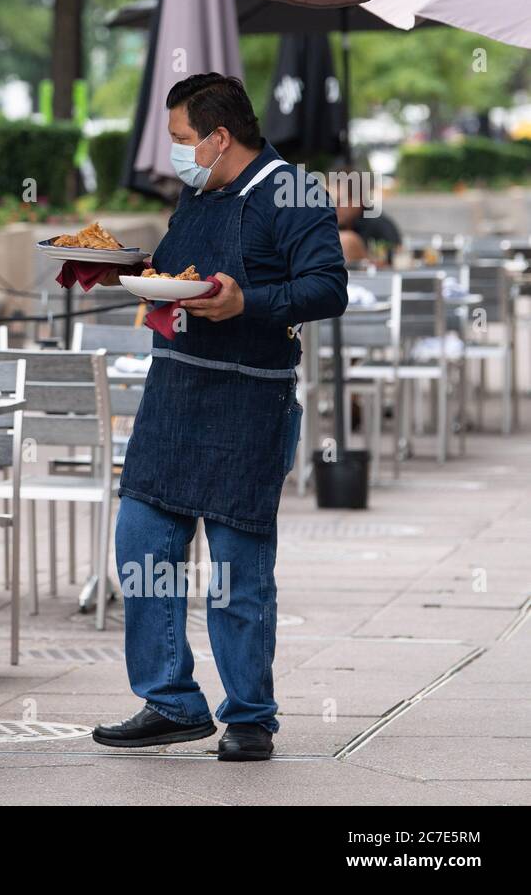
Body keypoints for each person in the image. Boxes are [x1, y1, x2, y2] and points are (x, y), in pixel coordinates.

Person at [92, 73, 347, 762]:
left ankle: (250, 715)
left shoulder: (292, 192)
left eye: (181, 140)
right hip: (175, 392)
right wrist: (127, 272)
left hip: (250, 398)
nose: (176, 153)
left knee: (238, 571)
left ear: (220, 137)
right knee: (142, 545)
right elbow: (180, 275)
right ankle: (170, 699)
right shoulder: (197, 191)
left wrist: (248, 302)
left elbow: (328, 288)